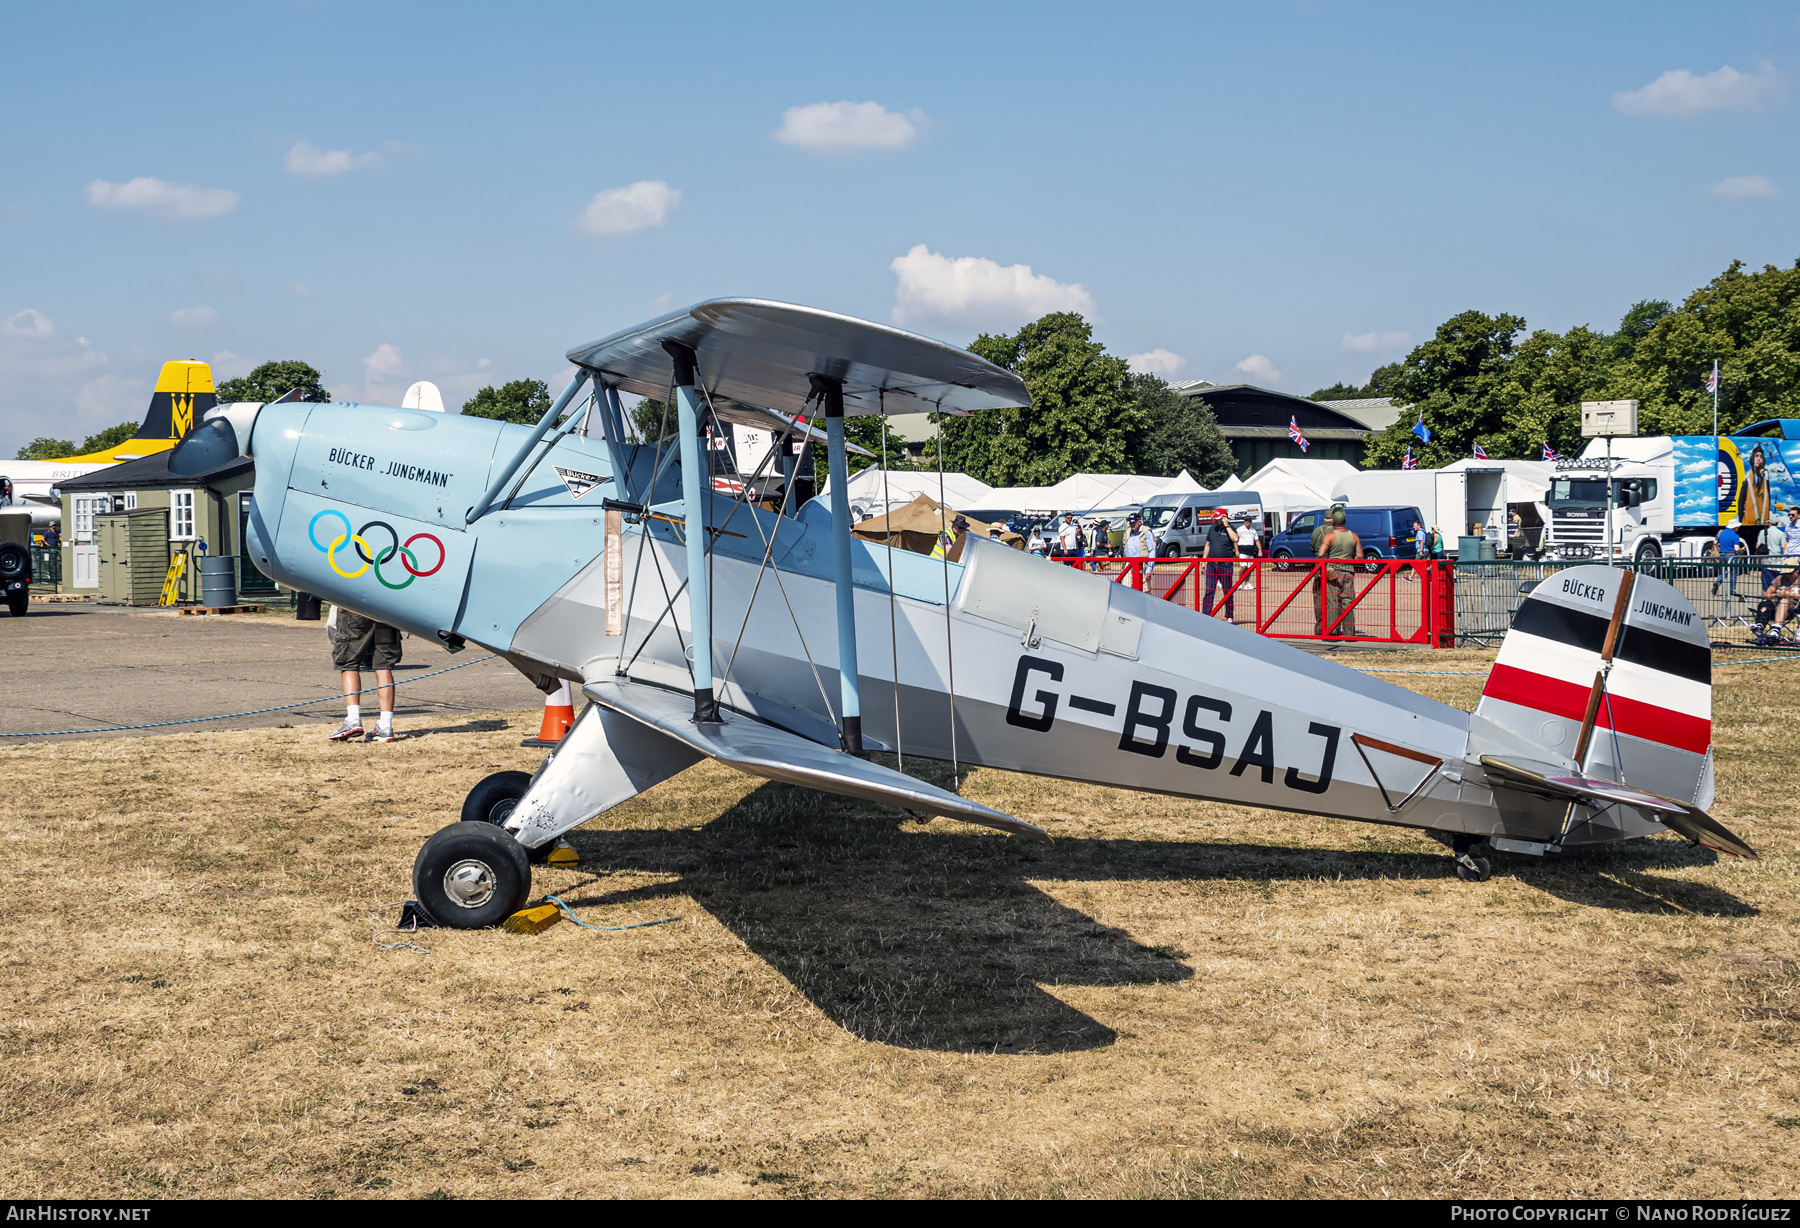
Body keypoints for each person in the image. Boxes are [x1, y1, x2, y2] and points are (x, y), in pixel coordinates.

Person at [329, 605, 403, 742]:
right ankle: (385, 725)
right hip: (388, 608)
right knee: (383, 666)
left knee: (348, 663)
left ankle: (353, 718)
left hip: (355, 606)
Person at [1319, 507, 1363, 637]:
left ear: (1333, 522)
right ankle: (1350, 634)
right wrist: (1350, 563)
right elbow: (1360, 555)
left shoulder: (1330, 536)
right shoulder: (1353, 536)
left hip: (1333, 571)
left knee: (1333, 601)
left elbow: (1321, 554)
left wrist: (1325, 567)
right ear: (1345, 522)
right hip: (1348, 571)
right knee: (1347, 602)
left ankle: (1332, 632)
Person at [1201, 508, 1238, 620]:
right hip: (1212, 565)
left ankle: (1229, 616)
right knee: (1209, 591)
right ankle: (1206, 616)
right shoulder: (1212, 528)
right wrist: (1203, 562)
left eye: (1217, 519)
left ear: (1224, 518)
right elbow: (1207, 545)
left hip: (1225, 565)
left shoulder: (1230, 528)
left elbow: (1235, 539)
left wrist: (1227, 526)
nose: (1215, 521)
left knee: (1227, 591)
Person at [1120, 510, 1154, 588]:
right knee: (1126, 587)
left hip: (1142, 564)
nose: (1132, 524)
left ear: (1139, 522)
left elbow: (1152, 551)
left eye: (1133, 522)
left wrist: (1149, 569)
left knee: (1145, 589)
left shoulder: (1146, 532)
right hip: (1129, 563)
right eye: (1130, 522)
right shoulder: (1128, 531)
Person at [1714, 518, 1747, 597]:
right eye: (1737, 527)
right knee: (1733, 573)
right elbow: (1736, 549)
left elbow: (1715, 542)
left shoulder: (1720, 532)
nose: (1738, 528)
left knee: (1724, 572)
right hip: (1731, 555)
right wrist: (1741, 549)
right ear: (1734, 527)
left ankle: (1717, 582)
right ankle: (1732, 590)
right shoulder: (1735, 535)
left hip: (1722, 554)